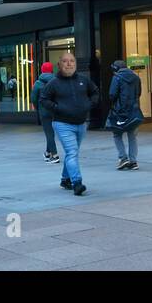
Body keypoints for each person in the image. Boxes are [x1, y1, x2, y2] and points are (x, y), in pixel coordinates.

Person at [39, 51, 99, 196]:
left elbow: (95, 92)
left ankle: (65, 179)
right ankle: (77, 183)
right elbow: (44, 99)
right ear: (59, 65)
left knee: (72, 153)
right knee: (72, 152)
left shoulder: (83, 80)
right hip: (62, 123)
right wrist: (57, 108)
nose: (69, 64)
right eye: (65, 61)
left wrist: (89, 104)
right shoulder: (53, 83)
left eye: (72, 61)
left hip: (80, 123)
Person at [106, 59, 144, 171]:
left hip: (119, 111)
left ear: (116, 68)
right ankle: (133, 161)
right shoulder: (136, 77)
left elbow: (112, 94)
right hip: (133, 110)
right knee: (132, 135)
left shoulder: (117, 78)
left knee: (117, 134)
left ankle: (123, 158)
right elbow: (139, 93)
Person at [31, 61, 59, 163]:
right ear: (51, 70)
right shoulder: (56, 81)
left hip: (44, 111)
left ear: (42, 70)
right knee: (50, 133)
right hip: (55, 110)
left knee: (49, 133)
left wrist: (37, 107)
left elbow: (33, 98)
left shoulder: (38, 83)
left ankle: (55, 155)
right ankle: (47, 153)